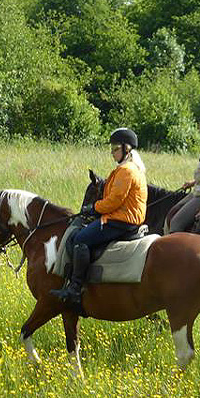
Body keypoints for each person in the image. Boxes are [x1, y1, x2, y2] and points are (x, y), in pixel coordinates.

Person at [50, 128, 148, 306]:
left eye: (115, 148)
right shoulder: (128, 169)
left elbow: (114, 201)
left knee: (80, 239)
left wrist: (93, 208)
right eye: (112, 149)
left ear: (127, 149)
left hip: (121, 220)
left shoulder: (127, 171)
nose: (112, 152)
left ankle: (75, 289)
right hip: (122, 217)